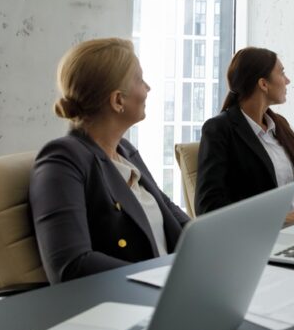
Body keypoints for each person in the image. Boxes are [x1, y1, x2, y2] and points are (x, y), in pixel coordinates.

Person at [30, 38, 189, 284]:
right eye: (140, 80)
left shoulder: (125, 151)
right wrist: (158, 277)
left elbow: (167, 209)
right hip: (131, 298)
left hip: (173, 287)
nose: (148, 88)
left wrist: (212, 244)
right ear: (118, 101)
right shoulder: (62, 160)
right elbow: (71, 265)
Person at [196, 47, 294, 220]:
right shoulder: (219, 129)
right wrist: (281, 220)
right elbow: (209, 205)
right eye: (282, 73)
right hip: (260, 234)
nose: (287, 80)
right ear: (263, 84)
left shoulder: (280, 124)